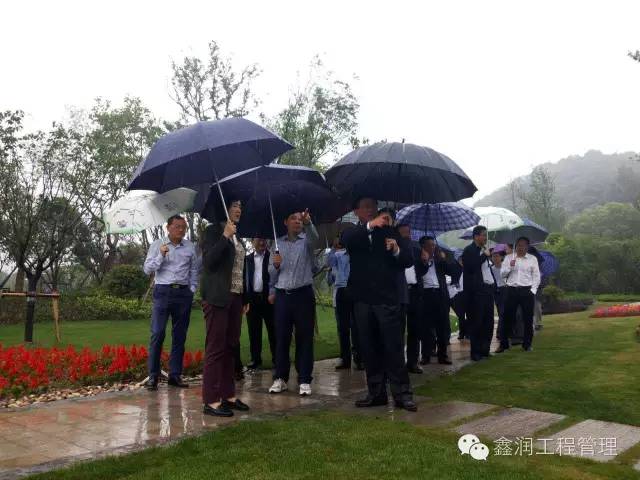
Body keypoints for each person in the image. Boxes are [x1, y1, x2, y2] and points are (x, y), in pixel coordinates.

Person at [341, 199, 416, 412]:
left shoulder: (391, 232)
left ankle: (402, 394)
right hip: (363, 299)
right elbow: (347, 241)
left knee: (393, 347)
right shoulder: (353, 232)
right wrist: (369, 226)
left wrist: (396, 250)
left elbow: (408, 260)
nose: (371, 210)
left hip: (387, 299)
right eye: (365, 207)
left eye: (373, 206)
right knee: (369, 348)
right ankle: (376, 393)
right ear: (356, 211)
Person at [200, 200, 250, 417]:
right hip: (217, 297)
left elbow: (239, 269)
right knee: (216, 348)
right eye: (234, 205)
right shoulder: (213, 231)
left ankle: (228, 395)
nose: (239, 210)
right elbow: (209, 262)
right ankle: (210, 400)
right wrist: (224, 236)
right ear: (224, 208)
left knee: (231, 347)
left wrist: (244, 297)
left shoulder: (238, 235)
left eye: (240, 206)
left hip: (236, 297)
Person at [143, 214, 200, 391]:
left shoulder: (190, 246)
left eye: (184, 227)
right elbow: (147, 269)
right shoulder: (157, 245)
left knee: (179, 335)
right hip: (163, 292)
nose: (181, 230)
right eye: (177, 226)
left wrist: (192, 289)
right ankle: (153, 376)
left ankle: (175, 375)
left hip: (183, 293)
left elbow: (194, 269)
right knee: (158, 333)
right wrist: (160, 255)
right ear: (168, 227)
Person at [268, 210, 319, 396]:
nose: (297, 222)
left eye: (299, 219)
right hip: (283, 296)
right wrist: (275, 265)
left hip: (303, 295)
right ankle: (280, 378)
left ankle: (304, 379)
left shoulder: (306, 241)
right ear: (285, 222)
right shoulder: (277, 243)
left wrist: (309, 223)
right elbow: (271, 274)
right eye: (293, 219)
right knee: (281, 338)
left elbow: (315, 239)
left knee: (304, 337)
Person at [415, 236, 457, 365]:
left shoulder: (439, 260)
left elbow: (452, 271)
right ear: (423, 247)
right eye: (429, 245)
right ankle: (426, 355)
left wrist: (443, 259)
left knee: (442, 327)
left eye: (433, 245)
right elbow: (418, 273)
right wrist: (424, 261)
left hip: (440, 295)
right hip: (426, 295)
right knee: (426, 328)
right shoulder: (418, 260)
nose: (432, 247)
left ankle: (442, 355)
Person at [496, 236, 541, 353]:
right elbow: (502, 274)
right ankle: (504, 344)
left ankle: (527, 344)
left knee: (527, 319)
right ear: (515, 246)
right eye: (519, 245)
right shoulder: (508, 258)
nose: (521, 247)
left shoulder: (532, 259)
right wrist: (510, 267)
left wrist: (533, 290)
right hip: (511, 290)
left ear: (527, 247)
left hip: (527, 291)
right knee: (507, 318)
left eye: (523, 245)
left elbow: (536, 276)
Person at [326, 237, 361, 370]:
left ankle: (359, 358)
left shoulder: (356, 254)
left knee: (356, 327)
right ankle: (345, 359)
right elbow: (329, 263)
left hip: (354, 289)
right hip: (341, 289)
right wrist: (333, 248)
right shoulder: (337, 255)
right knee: (343, 328)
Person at [462, 226, 496, 362]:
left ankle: (485, 350)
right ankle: (475, 352)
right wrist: (484, 256)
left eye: (486, 235)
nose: (485, 238)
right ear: (476, 236)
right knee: (477, 322)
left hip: (488, 290)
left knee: (488, 322)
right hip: (476, 292)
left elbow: (487, 270)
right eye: (483, 235)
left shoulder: (484, 250)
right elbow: (470, 267)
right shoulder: (469, 250)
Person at [244, 238, 276, 370]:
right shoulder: (247, 259)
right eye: (259, 240)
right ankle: (255, 359)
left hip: (269, 298)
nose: (262, 243)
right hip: (253, 300)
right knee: (254, 331)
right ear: (252, 242)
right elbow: (245, 279)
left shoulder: (272, 257)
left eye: (264, 240)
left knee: (273, 330)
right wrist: (245, 300)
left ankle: (277, 358)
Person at [397, 224, 423, 374]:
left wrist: (425, 261)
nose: (407, 234)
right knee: (399, 330)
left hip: (414, 292)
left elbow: (421, 270)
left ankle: (413, 362)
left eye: (409, 231)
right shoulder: (394, 247)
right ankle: (398, 364)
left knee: (415, 329)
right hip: (400, 293)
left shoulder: (416, 248)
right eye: (404, 231)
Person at [491, 248, 507, 341]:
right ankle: (500, 333)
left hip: (505, 289)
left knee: (504, 312)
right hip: (496, 291)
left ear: (501, 257)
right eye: (493, 256)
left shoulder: (505, 267)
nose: (495, 258)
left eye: (497, 256)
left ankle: (501, 332)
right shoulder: (491, 269)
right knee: (501, 311)